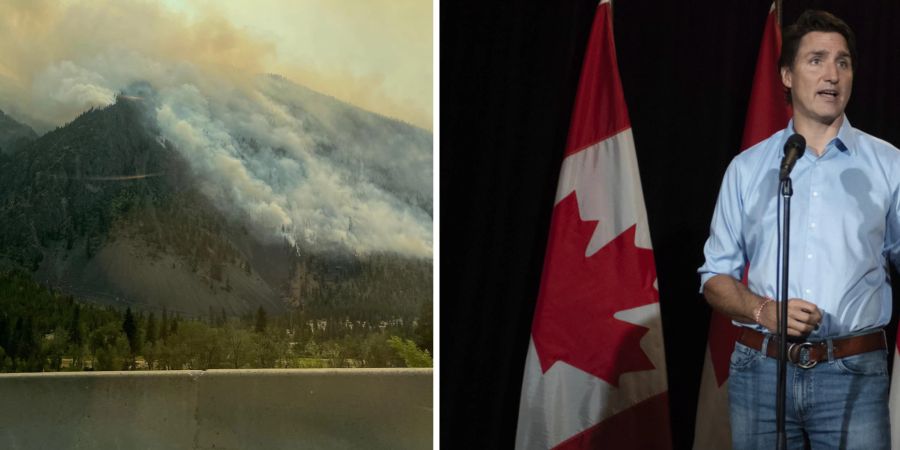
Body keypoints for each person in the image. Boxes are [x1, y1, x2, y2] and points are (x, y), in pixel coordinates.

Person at [698, 9, 900, 449]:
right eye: (817, 60)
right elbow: (714, 277)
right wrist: (763, 311)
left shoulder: (889, 165)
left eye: (843, 62)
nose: (832, 74)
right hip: (761, 370)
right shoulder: (749, 168)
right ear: (787, 75)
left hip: (853, 372)